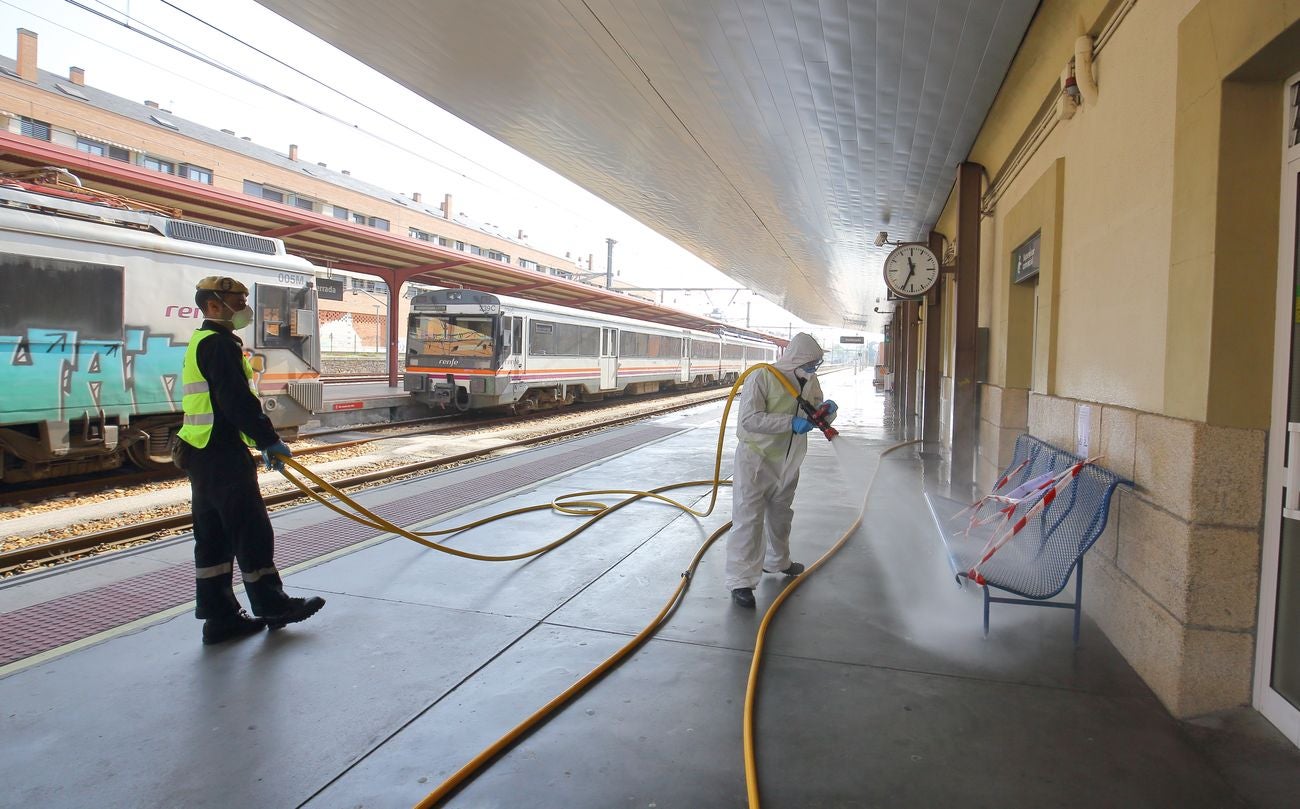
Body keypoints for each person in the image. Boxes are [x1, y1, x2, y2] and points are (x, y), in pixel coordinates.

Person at [175, 276, 325, 645]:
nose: (245, 306)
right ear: (213, 305)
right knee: (251, 529)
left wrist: (257, 440)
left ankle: (220, 617)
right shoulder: (219, 345)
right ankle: (272, 604)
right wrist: (268, 439)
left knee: (213, 537)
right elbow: (235, 401)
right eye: (238, 300)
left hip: (200, 451)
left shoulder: (202, 341)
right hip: (221, 454)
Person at [725, 332, 837, 608]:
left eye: (816, 364)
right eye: (811, 363)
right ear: (796, 359)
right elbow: (750, 420)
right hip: (757, 459)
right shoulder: (762, 377)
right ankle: (741, 581)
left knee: (781, 514)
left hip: (789, 460)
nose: (813, 369)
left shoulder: (810, 380)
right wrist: (789, 424)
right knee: (749, 518)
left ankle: (778, 561)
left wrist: (828, 412)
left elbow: (812, 411)